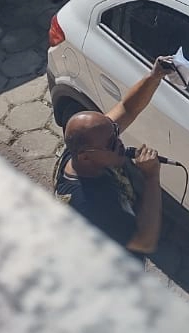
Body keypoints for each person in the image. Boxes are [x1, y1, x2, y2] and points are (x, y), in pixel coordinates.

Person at [56, 58, 178, 255]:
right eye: (112, 144)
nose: (120, 142)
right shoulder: (92, 204)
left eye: (116, 131)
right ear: (86, 157)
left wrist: (154, 76)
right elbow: (144, 242)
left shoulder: (86, 147)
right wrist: (151, 177)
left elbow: (127, 109)